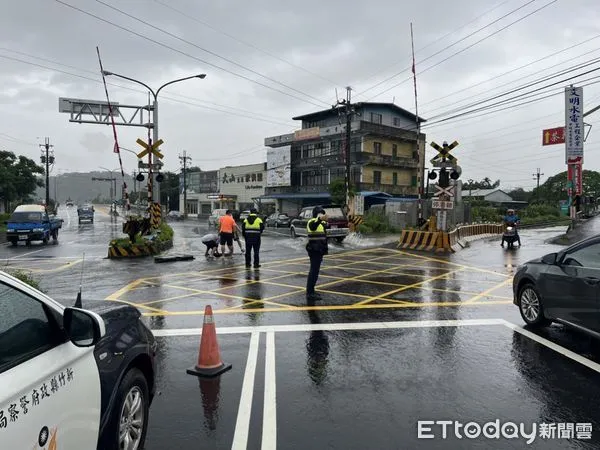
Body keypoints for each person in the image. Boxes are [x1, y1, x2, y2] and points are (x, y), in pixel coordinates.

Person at [306, 206, 329, 301]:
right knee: (313, 271)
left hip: (319, 250)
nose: (322, 215)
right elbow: (313, 226)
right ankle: (310, 293)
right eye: (320, 213)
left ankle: (312, 291)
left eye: (322, 214)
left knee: (315, 272)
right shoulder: (311, 222)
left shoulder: (321, 224)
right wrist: (320, 219)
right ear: (316, 214)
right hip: (314, 250)